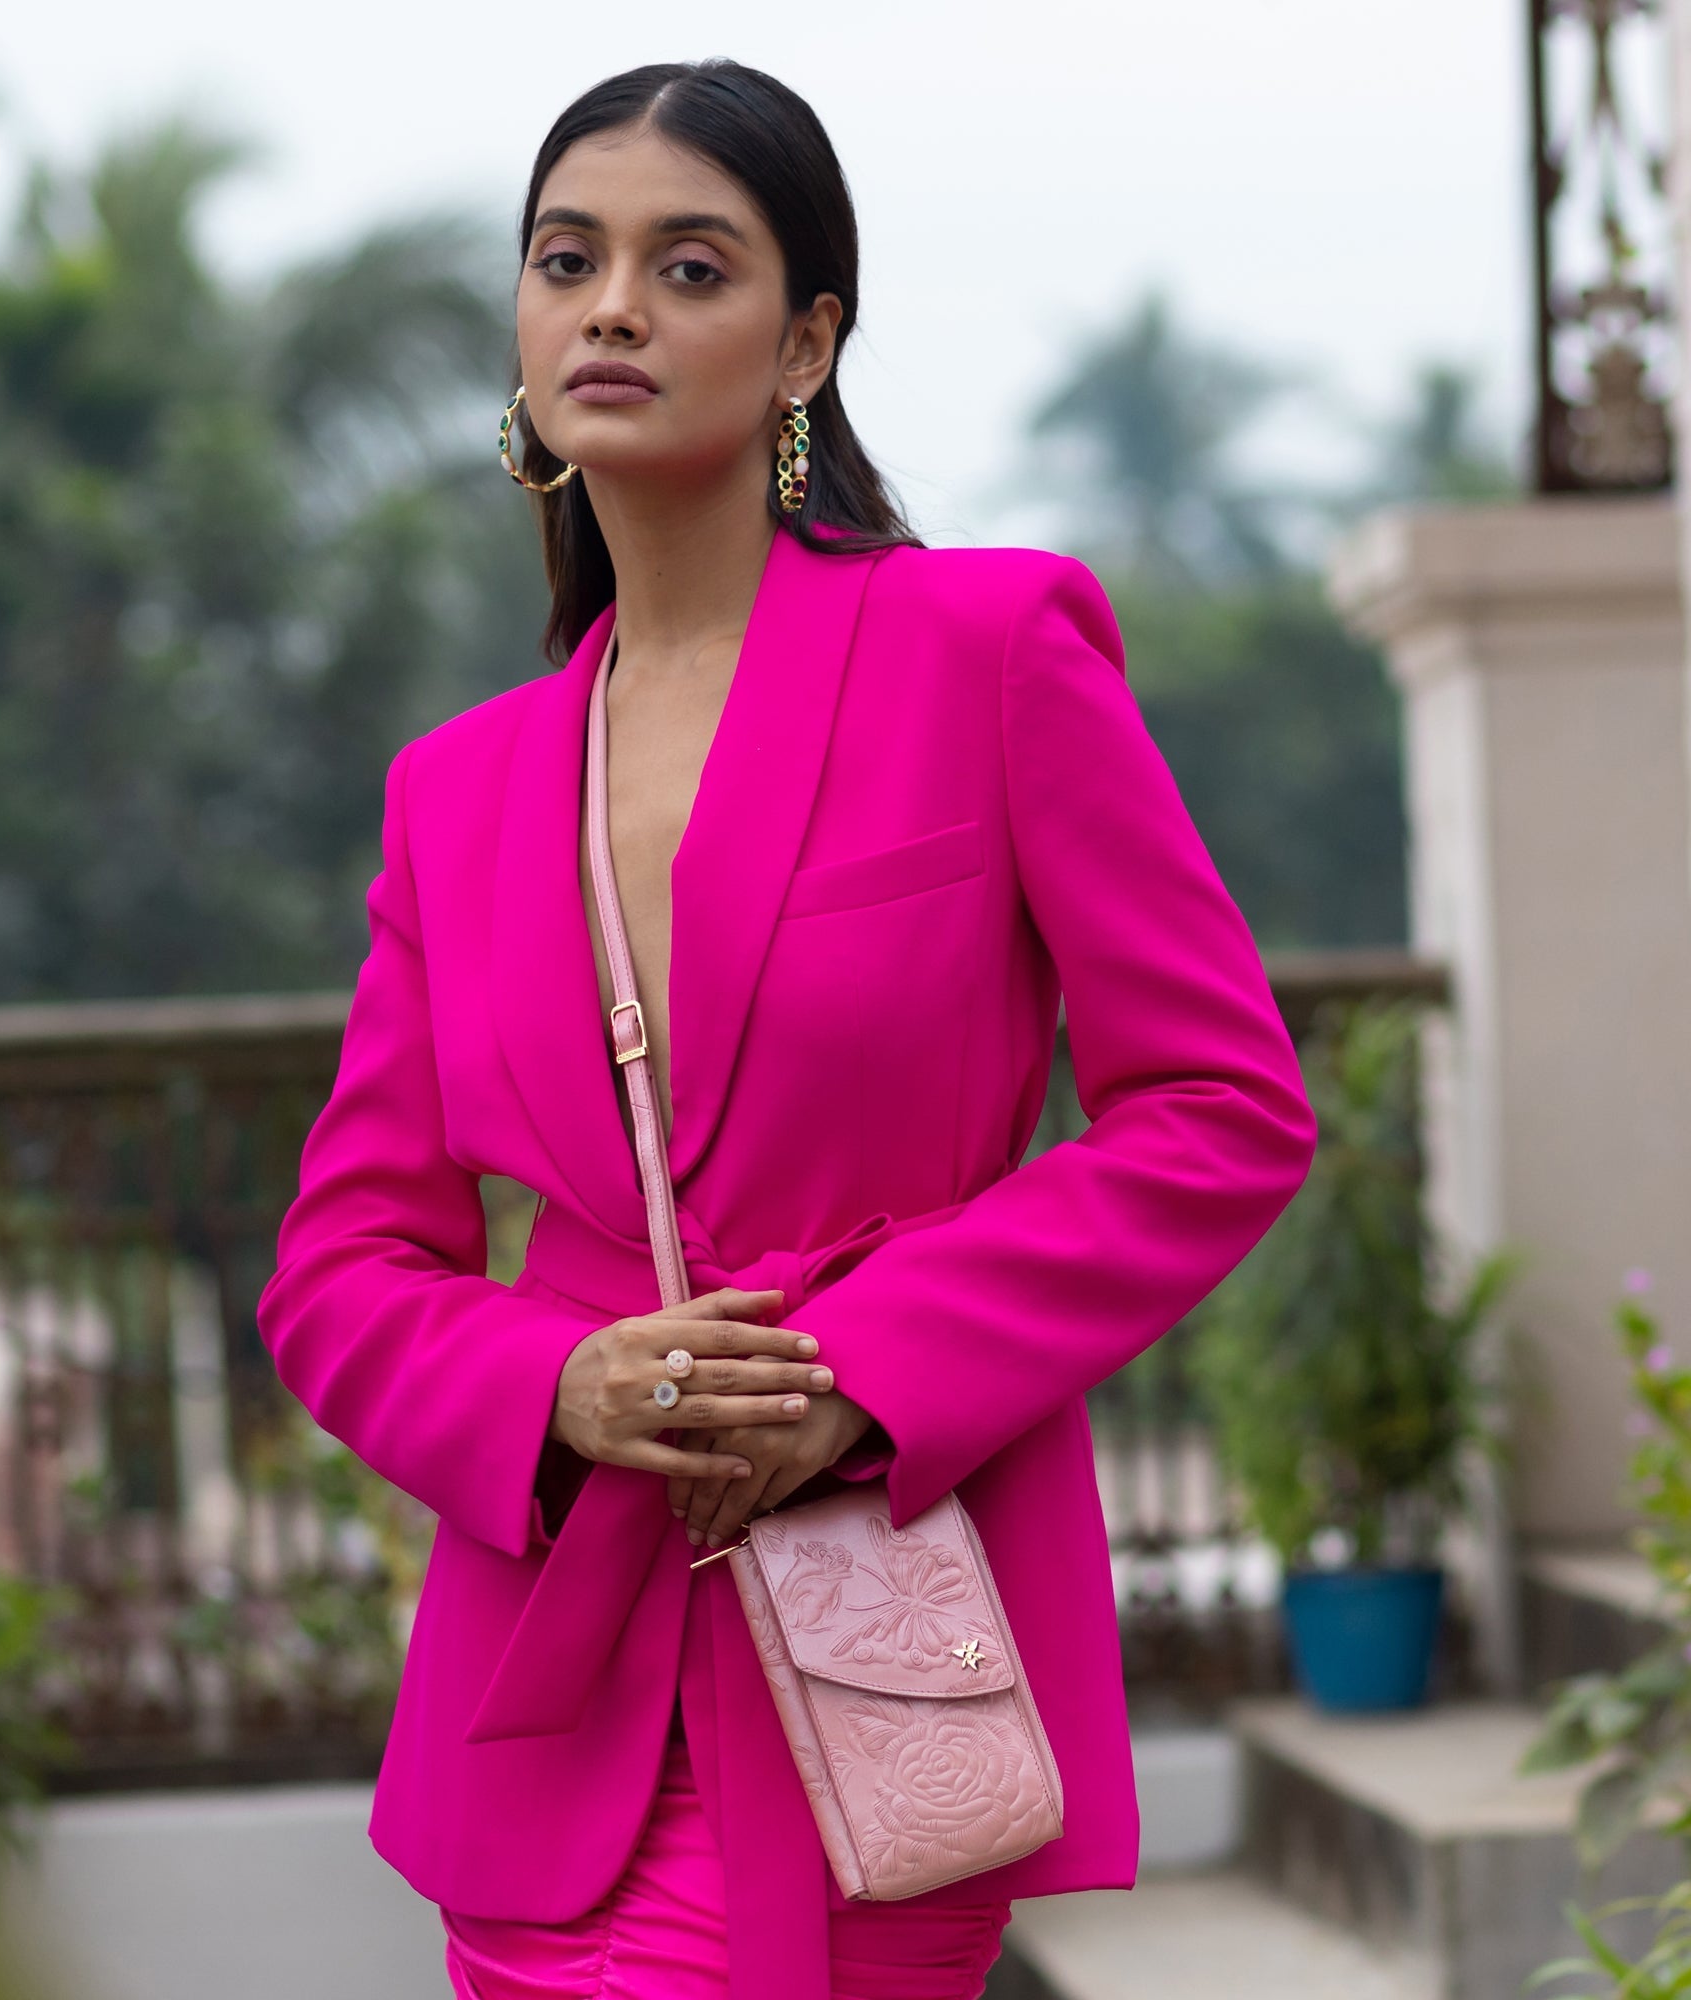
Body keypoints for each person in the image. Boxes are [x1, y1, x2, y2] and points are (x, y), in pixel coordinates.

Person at [257, 56, 1318, 2000]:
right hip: (545, 1697)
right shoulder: (458, 793)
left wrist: (869, 1367)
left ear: (805, 338)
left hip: (868, 1644)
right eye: (567, 259)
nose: (611, 307)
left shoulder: (986, 655)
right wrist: (554, 1387)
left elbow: (1219, 1109)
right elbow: (341, 1267)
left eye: (690, 266)